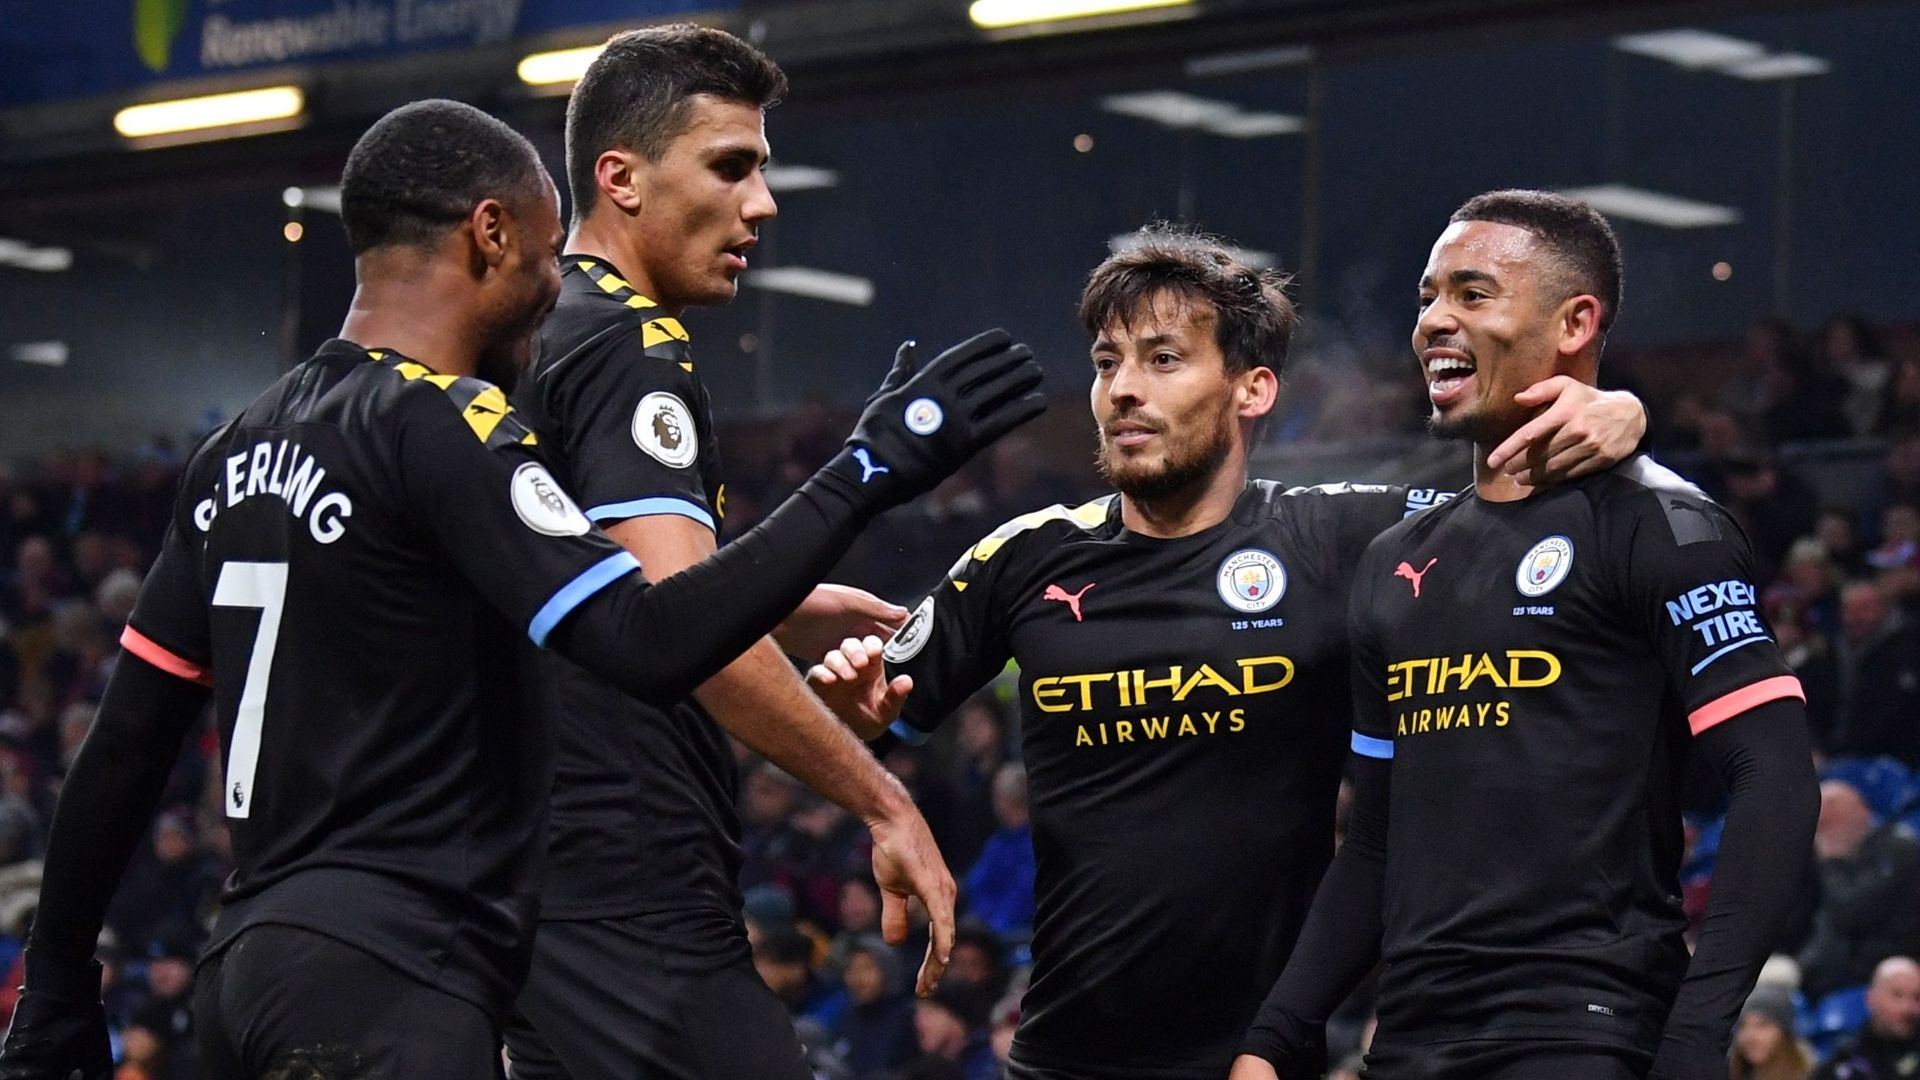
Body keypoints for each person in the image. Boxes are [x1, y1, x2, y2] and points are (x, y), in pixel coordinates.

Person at [0, 99, 1044, 1080]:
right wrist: (868, 469)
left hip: (249, 973)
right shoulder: (446, 424)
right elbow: (645, 640)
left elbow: (126, 743)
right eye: (549, 259)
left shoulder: (235, 448)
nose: (555, 290)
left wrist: (53, 983)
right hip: (393, 977)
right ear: (489, 235)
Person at [808, 221, 1649, 1080]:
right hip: (1060, 1056)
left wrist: (1618, 413)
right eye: (1107, 363)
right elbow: (845, 730)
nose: (1122, 391)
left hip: (1259, 1060)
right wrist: (850, 719)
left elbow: (1523, 489)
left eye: (1163, 359)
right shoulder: (1024, 557)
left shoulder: (1341, 535)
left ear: (1253, 389)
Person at [500, 25, 1001, 1080]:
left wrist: (781, 601)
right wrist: (882, 799)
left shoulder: (531, 336)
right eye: (731, 166)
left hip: (532, 887)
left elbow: (603, 595)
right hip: (632, 891)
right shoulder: (630, 347)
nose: (761, 203)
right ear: (620, 179)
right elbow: (681, 624)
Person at [1232, 190, 1819, 1080]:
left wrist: (1696, 1040)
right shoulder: (1396, 562)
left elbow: (1773, 776)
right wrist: (1277, 1036)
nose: (1434, 320)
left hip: (1586, 1030)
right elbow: (1378, 841)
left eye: (1473, 294)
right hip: (1410, 1040)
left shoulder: (1662, 526)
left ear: (1577, 320)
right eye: (1428, 296)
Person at [1796, 780, 1920, 999]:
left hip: (1881, 963)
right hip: (1822, 965)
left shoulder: (1897, 850)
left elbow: (1850, 913)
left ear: (1862, 812)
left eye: (1832, 822)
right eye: (1822, 826)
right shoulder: (1825, 857)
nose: (1823, 835)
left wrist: (1832, 862)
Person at [1812, 956, 1920, 1080]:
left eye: (1917, 998)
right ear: (1871, 999)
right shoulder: (1844, 1060)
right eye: (1897, 995)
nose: (1908, 1008)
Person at [1729, 984, 1813, 1080]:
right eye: (1742, 1026)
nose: (1750, 1036)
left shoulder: (1811, 1075)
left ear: (1784, 1031)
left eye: (1762, 1025)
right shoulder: (1727, 1073)